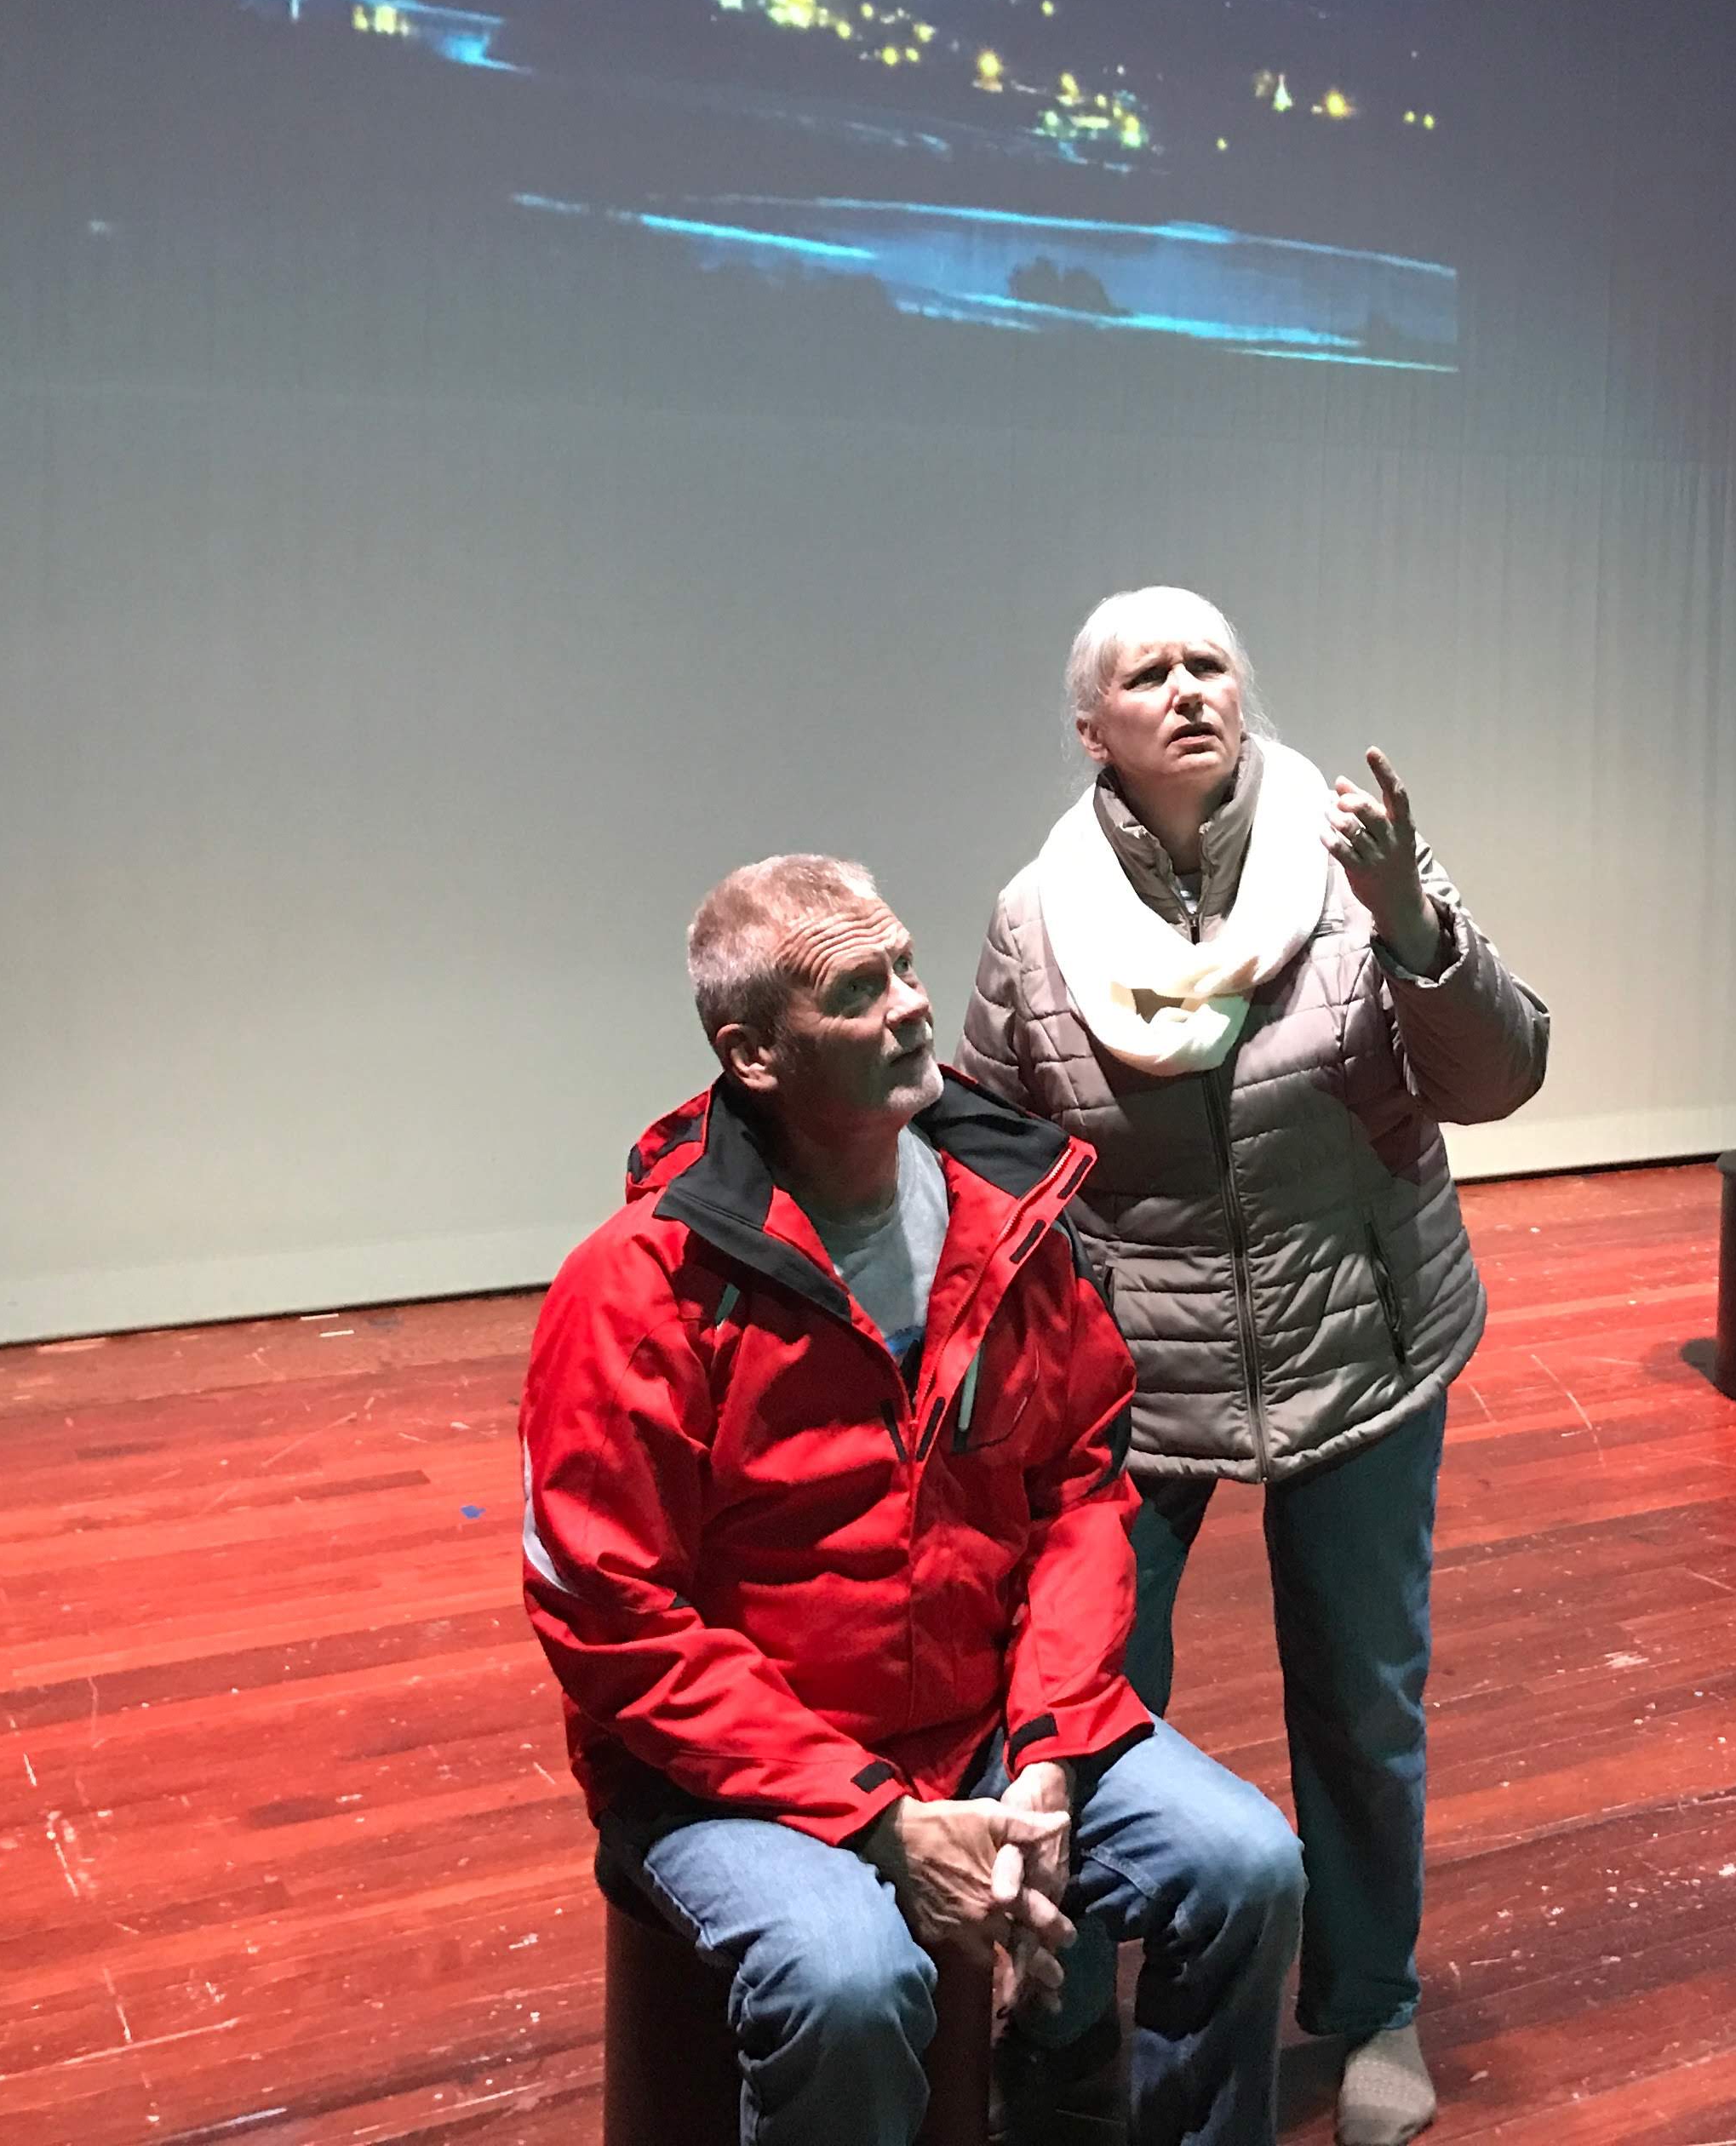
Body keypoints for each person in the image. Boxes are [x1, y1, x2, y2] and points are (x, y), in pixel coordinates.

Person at [519, 853, 1302, 2146]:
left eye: (905, 967)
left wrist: (1048, 1753)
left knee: (1244, 1869)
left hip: (984, 1721)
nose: (912, 1007)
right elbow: (612, 1616)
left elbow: (1080, 1489)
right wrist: (879, 1819)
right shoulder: (640, 1287)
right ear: (753, 1055)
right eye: (856, 991)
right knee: (848, 1981)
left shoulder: (1011, 1221)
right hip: (734, 1776)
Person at [960, 587, 1550, 2146]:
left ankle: (1371, 2002)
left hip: (1359, 1328)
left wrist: (1417, 927)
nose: (1186, 690)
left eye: (1209, 662)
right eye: (1145, 673)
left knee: (1363, 1697)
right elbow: (990, 1147)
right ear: (1092, 728)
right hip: (1131, 1364)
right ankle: (1064, 2010)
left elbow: (1502, 1074)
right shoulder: (1037, 916)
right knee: (1084, 1697)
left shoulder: (1352, 865)